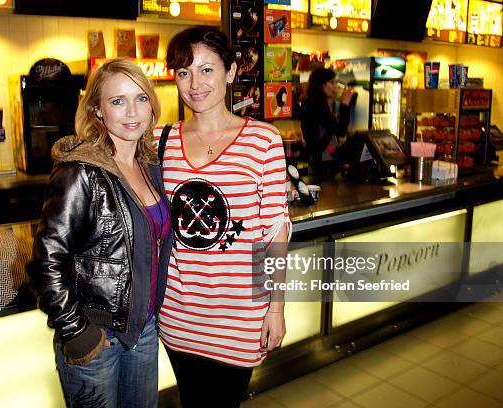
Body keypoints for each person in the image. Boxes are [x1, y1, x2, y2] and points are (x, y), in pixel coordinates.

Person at [154, 26, 290, 408]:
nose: (195, 83)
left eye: (206, 70)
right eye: (183, 72)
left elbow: (274, 233)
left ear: (230, 72)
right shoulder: (159, 141)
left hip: (239, 313)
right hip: (179, 311)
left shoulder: (263, 141)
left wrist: (275, 309)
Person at [27, 58, 172, 408]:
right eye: (118, 101)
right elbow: (46, 262)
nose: (132, 111)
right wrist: (76, 331)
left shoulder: (151, 165)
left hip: (144, 329)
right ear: (97, 109)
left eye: (140, 98)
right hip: (96, 337)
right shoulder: (80, 171)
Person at [299, 67, 354, 176]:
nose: (335, 86)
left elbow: (322, 138)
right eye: (331, 82)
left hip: (321, 162)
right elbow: (340, 131)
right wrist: (345, 105)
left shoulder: (312, 103)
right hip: (324, 165)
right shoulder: (317, 106)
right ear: (322, 85)